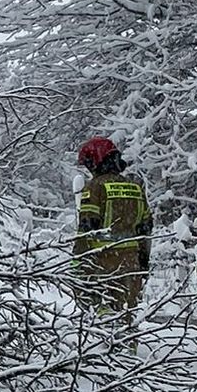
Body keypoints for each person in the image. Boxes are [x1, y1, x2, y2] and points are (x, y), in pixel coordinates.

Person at [73, 137, 152, 320]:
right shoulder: (135, 188)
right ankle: (130, 348)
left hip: (101, 264)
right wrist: (143, 263)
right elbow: (146, 229)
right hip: (132, 264)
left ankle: (102, 348)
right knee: (127, 317)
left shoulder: (94, 188)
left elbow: (86, 229)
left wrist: (77, 263)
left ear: (96, 161)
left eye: (88, 164)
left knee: (101, 317)